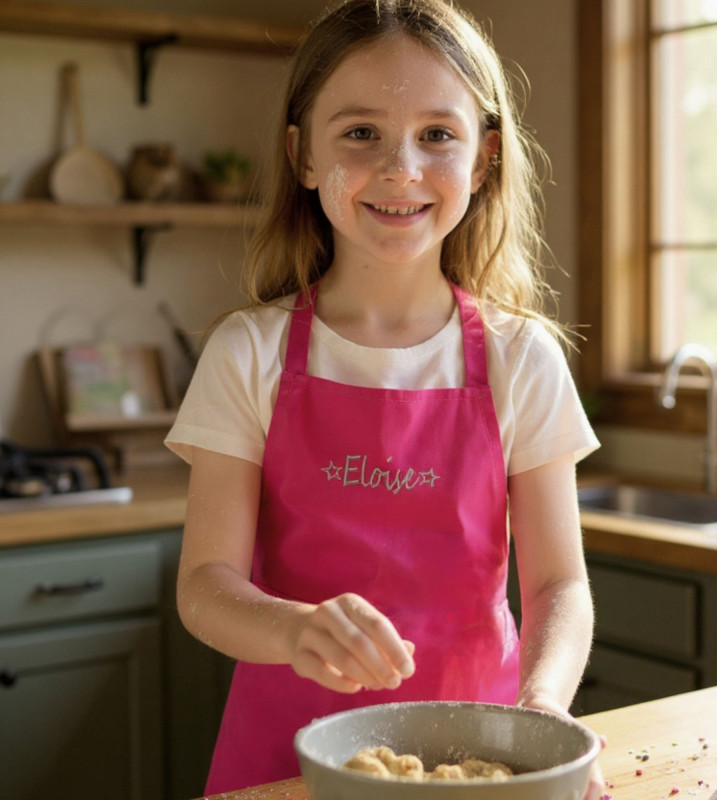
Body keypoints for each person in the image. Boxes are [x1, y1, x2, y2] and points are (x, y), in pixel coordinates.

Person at [166, 0, 602, 795]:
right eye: (360, 133)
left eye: (438, 134)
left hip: (482, 759)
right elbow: (205, 586)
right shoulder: (247, 352)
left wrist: (541, 708)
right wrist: (293, 628)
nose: (402, 168)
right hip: (285, 759)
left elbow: (557, 586)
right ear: (302, 155)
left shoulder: (521, 358)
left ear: (484, 160)